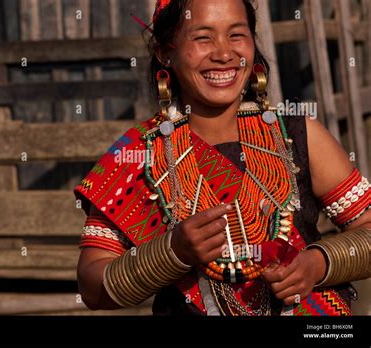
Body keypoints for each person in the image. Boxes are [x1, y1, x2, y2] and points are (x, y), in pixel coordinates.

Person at [74, 0, 370, 315]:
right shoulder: (140, 153)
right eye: (203, 38)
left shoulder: (298, 136)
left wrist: (315, 264)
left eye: (237, 35)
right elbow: (93, 289)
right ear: (165, 53)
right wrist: (171, 252)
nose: (224, 53)